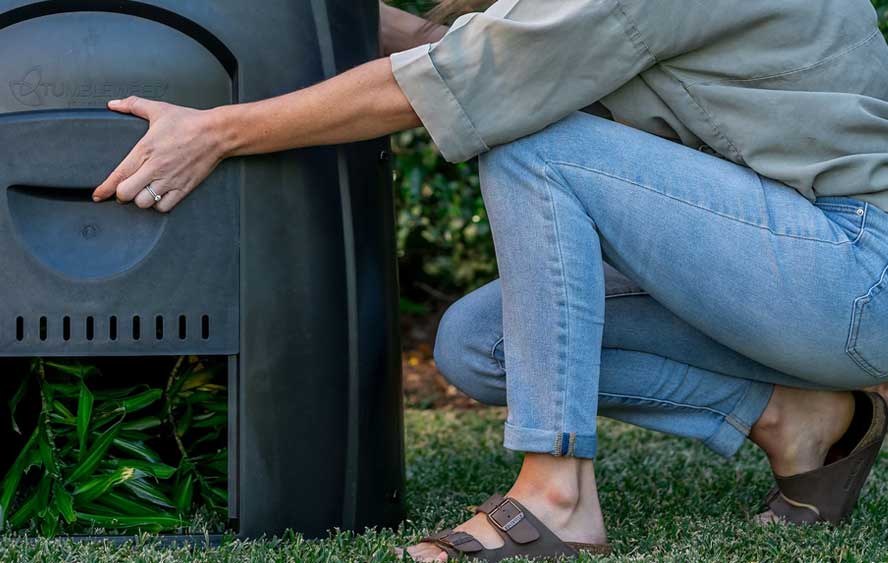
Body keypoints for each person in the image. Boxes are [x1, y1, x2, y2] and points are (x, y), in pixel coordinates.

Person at [93, 1, 888, 560]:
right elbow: (490, 47)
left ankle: (557, 496)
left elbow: (476, 81)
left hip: (853, 271)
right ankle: (801, 414)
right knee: (482, 343)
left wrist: (213, 133)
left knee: (532, 141)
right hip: (788, 270)